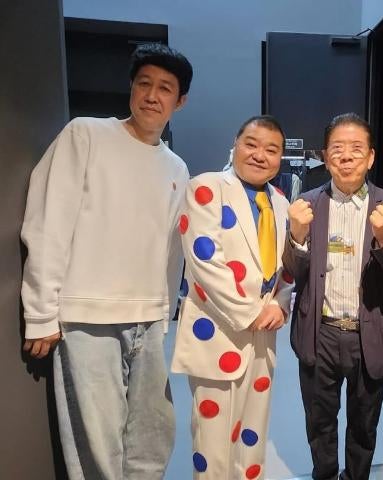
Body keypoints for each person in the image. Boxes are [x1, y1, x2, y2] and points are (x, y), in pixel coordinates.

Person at [21, 43, 193, 479]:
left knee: (152, 438)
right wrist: (40, 312)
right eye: (144, 83)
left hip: (149, 320)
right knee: (97, 445)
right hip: (88, 317)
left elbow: (172, 251)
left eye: (165, 88)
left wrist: (165, 314)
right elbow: (48, 220)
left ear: (180, 101)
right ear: (131, 88)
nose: (152, 95)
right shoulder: (86, 134)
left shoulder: (177, 167)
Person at [283, 113, 383, 480]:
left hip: (370, 334)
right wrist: (297, 235)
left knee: (364, 426)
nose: (347, 156)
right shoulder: (307, 204)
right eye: (337, 148)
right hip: (318, 332)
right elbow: (294, 273)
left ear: (370, 157)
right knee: (319, 423)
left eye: (357, 148)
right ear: (326, 158)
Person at [171, 115, 293, 479]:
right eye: (251, 144)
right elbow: (205, 262)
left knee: (252, 436)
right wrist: (251, 312)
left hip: (263, 336)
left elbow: (287, 263)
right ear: (235, 145)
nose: (260, 155)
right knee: (213, 444)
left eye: (271, 150)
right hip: (218, 333)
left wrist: (280, 303)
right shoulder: (205, 187)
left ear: (280, 158)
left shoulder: (281, 201)